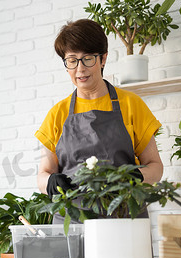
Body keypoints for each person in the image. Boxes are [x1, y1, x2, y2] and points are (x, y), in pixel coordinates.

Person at [35, 19, 163, 222]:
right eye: (72, 60)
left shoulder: (131, 105)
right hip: (73, 223)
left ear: (103, 59)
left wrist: (136, 177)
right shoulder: (57, 114)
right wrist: (50, 181)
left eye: (87, 58)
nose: (80, 69)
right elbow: (43, 173)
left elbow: (155, 166)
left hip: (124, 218)